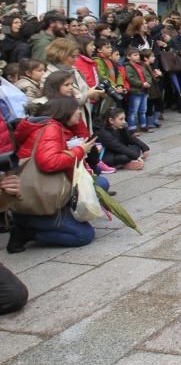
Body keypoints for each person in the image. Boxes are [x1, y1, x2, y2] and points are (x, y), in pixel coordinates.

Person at [7, 96, 108, 253]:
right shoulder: (51, 128)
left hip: (37, 195)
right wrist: (80, 150)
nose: (79, 113)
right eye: (77, 110)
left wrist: (77, 129)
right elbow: (49, 162)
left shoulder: (53, 125)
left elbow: (83, 136)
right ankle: (26, 231)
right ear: (66, 111)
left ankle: (44, 220)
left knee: (100, 183)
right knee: (84, 235)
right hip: (38, 199)